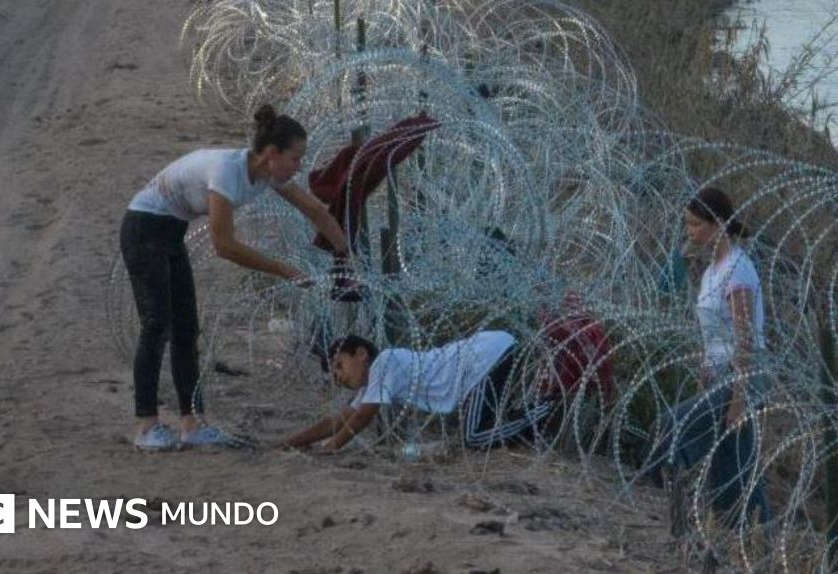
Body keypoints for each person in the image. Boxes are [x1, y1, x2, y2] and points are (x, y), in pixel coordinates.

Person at [120, 105, 349, 451]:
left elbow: (315, 210)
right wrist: (285, 271)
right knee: (156, 325)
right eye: (295, 157)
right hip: (144, 228)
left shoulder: (269, 174)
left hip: (169, 231)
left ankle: (191, 424)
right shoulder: (227, 173)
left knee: (186, 329)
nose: (299, 166)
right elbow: (224, 246)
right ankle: (146, 426)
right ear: (271, 154)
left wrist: (347, 256)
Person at [649, 187, 770, 527]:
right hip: (720, 375)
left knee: (673, 424)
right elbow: (714, 334)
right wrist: (705, 371)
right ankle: (752, 532)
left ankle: (659, 498)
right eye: (687, 225)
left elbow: (745, 340)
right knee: (732, 465)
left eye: (695, 224)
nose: (689, 232)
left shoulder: (737, 271)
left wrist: (739, 399)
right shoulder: (710, 273)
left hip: (740, 375)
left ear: (717, 224)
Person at [280, 331, 552, 452]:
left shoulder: (384, 362)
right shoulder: (374, 383)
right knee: (482, 429)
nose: (338, 377)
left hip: (482, 358)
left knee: (475, 437)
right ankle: (539, 420)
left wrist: (331, 448)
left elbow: (361, 418)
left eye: (340, 365)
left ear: (361, 354)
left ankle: (550, 406)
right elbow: (341, 419)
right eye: (334, 374)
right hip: (480, 361)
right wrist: (294, 441)